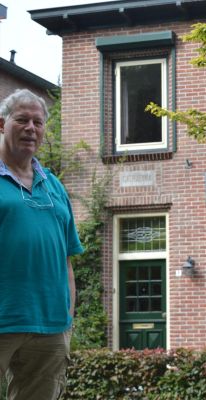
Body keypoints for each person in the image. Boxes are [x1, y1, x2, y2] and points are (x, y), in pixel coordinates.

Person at [0, 89, 83, 400]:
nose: (31, 128)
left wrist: (68, 320)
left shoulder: (53, 185)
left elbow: (66, 259)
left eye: (38, 122)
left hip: (51, 326)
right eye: (22, 120)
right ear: (2, 124)